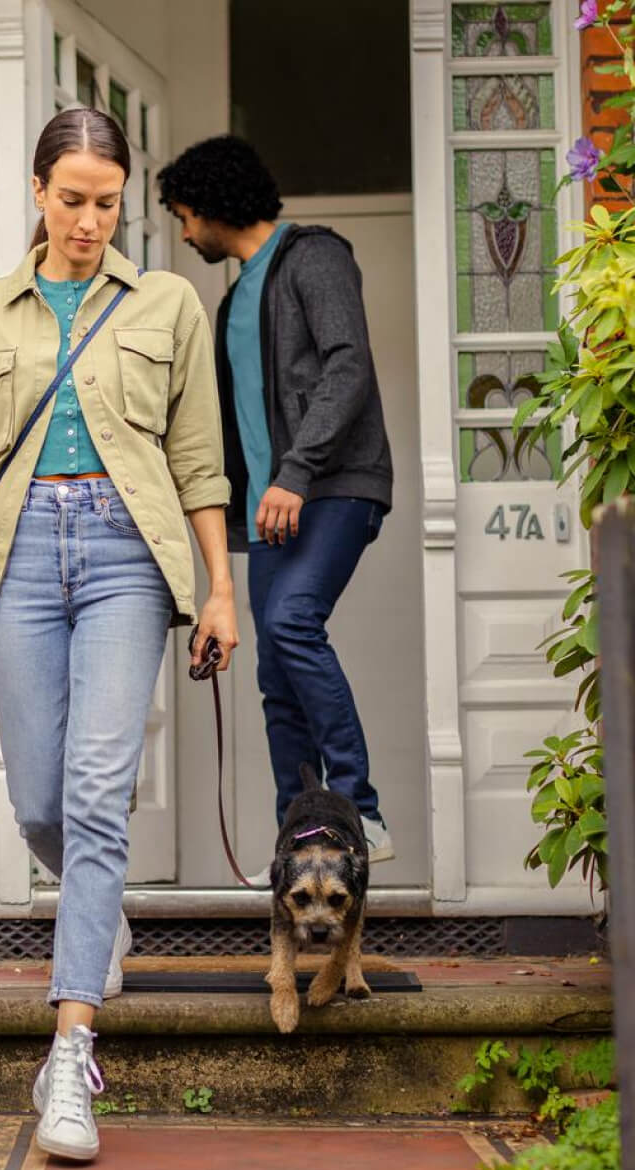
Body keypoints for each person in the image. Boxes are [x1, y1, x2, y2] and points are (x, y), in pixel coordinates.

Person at [0, 108, 238, 1163]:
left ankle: (71, 1050)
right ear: (37, 195)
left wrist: (219, 589)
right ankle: (102, 906)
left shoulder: (167, 301)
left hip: (130, 552)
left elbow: (197, 459)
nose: (90, 221)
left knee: (95, 791)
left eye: (106, 203)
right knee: (39, 796)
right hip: (25, 556)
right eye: (72, 200)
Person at [156, 135, 396, 870]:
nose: (183, 232)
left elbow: (347, 363)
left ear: (204, 207)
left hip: (329, 486)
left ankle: (358, 813)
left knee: (293, 624)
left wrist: (295, 471)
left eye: (181, 217)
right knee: (275, 679)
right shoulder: (234, 298)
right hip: (270, 510)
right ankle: (303, 839)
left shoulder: (313, 256)